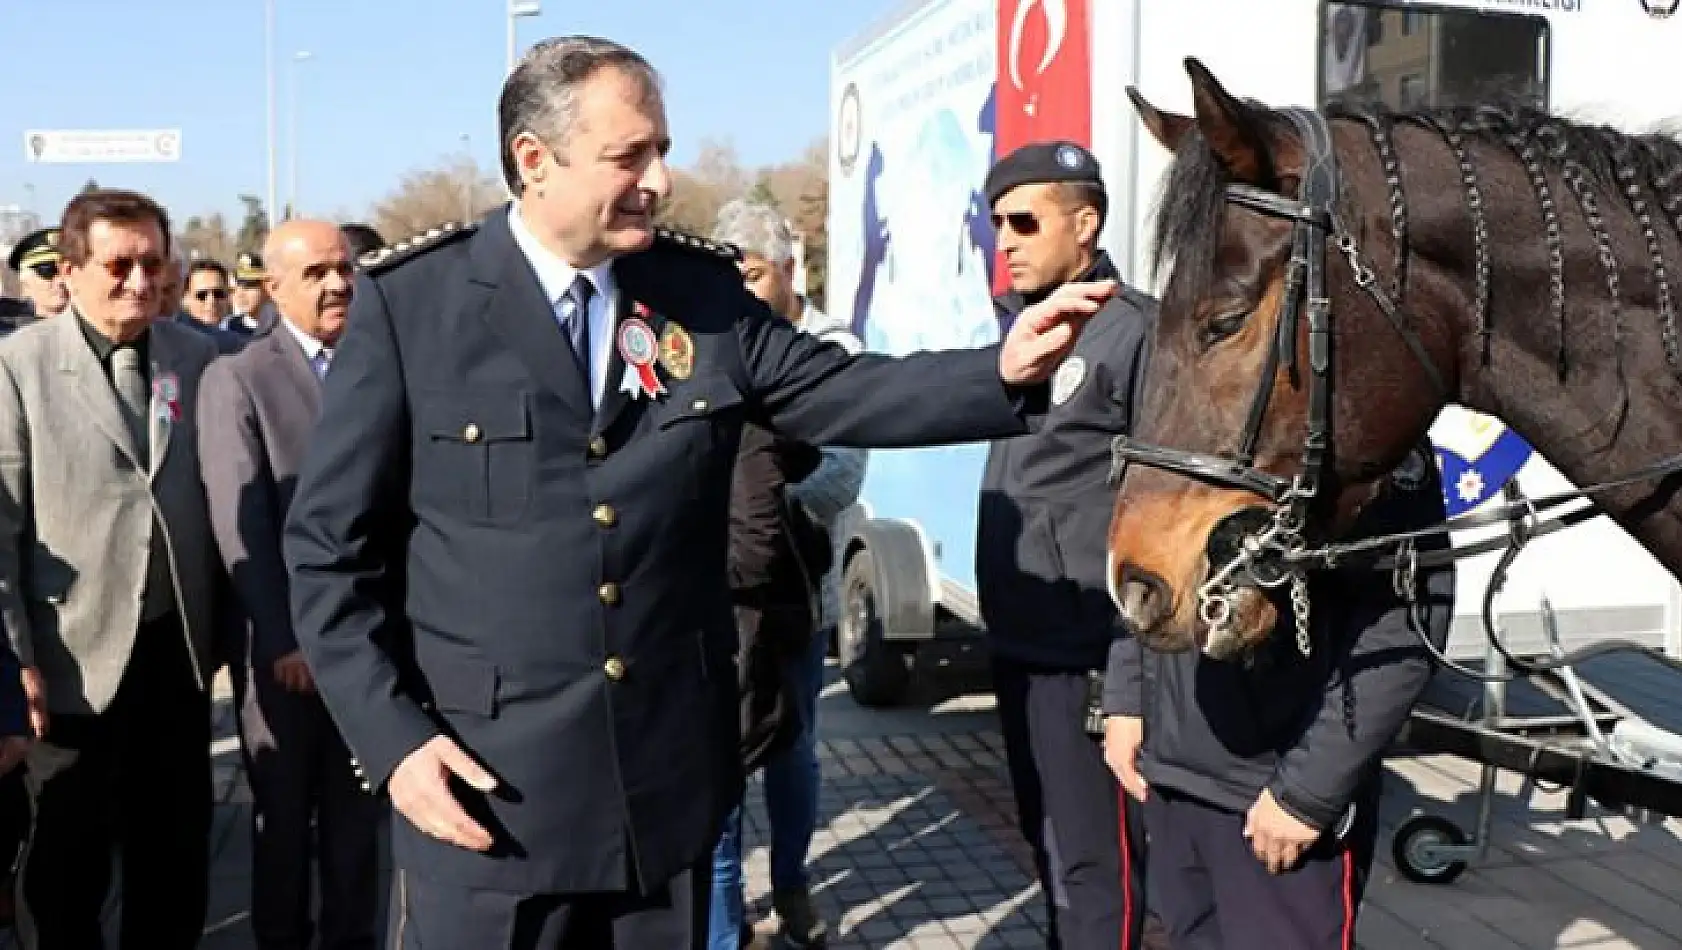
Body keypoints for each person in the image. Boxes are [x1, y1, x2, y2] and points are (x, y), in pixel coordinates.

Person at [282, 35, 1111, 950]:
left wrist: (1001, 367)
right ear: (534, 159)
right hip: (486, 804)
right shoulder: (414, 307)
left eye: (661, 149)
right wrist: (393, 744)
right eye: (629, 155)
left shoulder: (697, 294)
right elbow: (328, 553)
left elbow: (843, 389)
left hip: (660, 800)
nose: (661, 180)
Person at [1103, 446, 1455, 949]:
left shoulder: (1371, 429)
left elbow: (1401, 630)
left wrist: (1308, 794)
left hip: (1273, 807)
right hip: (1171, 778)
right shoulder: (1181, 393)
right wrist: (1125, 695)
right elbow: (1142, 553)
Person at [0, 188, 222, 948]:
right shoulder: (18, 366)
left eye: (153, 264)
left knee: (173, 863)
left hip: (179, 656)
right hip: (70, 661)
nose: (139, 282)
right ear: (69, 270)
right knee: (65, 871)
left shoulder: (201, 358)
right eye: (119, 264)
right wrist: (15, 654)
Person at [975, 141, 1154, 950]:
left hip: (1089, 657)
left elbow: (1158, 528)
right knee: (1049, 853)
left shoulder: (1134, 336)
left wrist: (1128, 680)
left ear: (1084, 224)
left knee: (1096, 875)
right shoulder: (1018, 332)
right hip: (1020, 646)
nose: (1002, 238)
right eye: (994, 222)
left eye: (1023, 220)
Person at [199, 220, 384, 950]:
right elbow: (238, 521)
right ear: (273, 289)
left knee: (356, 829)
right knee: (283, 828)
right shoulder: (240, 377)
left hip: (368, 648)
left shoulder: (376, 364)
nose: (338, 283)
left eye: (345, 268)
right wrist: (282, 639)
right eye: (316, 273)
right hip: (289, 659)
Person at [707, 199, 867, 950]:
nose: (742, 292)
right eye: (730, 276)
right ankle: (726, 913)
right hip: (722, 607)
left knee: (794, 753)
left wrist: (752, 498)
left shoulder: (831, 349)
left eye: (756, 275)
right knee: (723, 766)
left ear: (789, 268)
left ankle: (795, 884)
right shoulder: (709, 341)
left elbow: (841, 478)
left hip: (798, 603)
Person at [5, 228, 69, 321]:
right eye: (48, 272)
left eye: (68, 271)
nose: (61, 280)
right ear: (25, 283)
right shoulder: (9, 331)